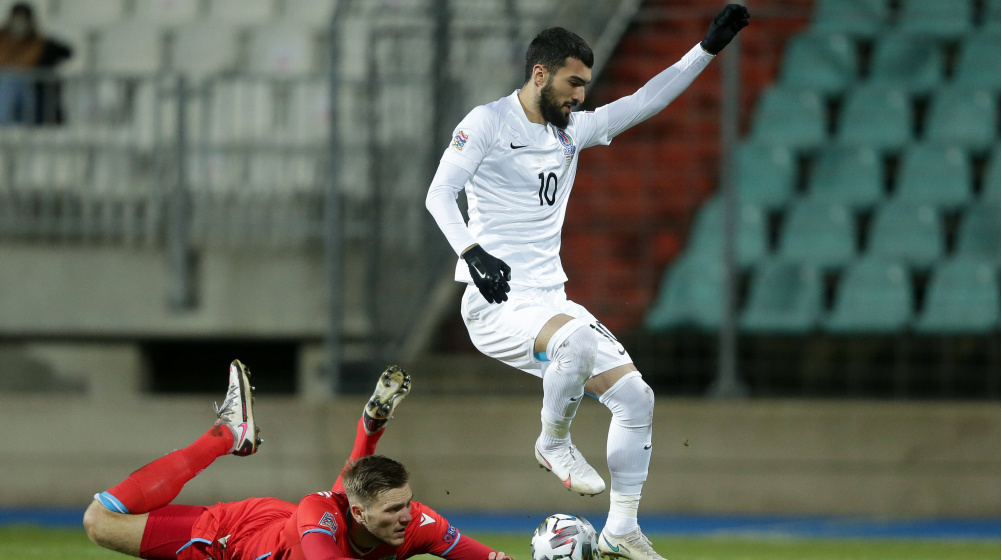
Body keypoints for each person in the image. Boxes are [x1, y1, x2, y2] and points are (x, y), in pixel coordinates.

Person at [424, 6, 750, 560]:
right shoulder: (487, 123)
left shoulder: (573, 131)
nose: (581, 95)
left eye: (586, 86)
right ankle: (552, 442)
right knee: (572, 343)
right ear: (540, 74)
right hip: (496, 304)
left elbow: (647, 100)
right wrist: (471, 252)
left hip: (551, 301)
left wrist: (708, 48)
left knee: (635, 397)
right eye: (574, 83)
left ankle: (621, 529)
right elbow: (438, 193)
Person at [83, 361, 513, 560]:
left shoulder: (419, 524)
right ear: (362, 514)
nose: (409, 515)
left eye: (409, 503)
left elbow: (489, 558)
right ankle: (224, 436)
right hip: (227, 540)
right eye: (395, 508)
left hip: (281, 524)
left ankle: (369, 427)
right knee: (99, 522)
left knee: (349, 488)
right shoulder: (318, 511)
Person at [0, 2, 72, 125]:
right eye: (17, 19)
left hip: (30, 89)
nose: (19, 24)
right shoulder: (2, 39)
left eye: (23, 20)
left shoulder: (39, 44)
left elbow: (66, 52)